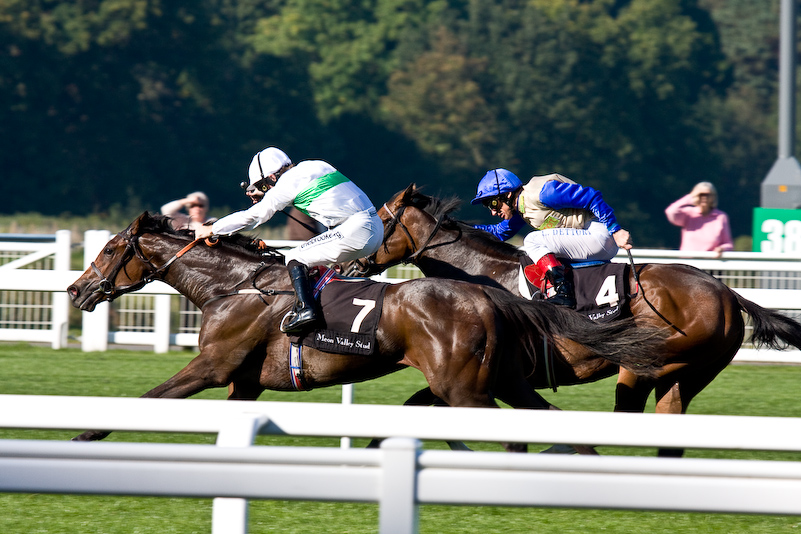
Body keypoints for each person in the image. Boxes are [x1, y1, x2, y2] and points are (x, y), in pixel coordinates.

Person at [195, 147, 382, 333]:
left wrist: (212, 228)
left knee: (294, 257)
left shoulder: (286, 184)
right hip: (375, 227)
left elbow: (253, 217)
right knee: (313, 259)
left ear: (272, 178)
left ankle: (306, 311)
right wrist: (265, 192)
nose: (264, 191)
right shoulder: (316, 164)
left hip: (356, 230)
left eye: (263, 186)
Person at [471, 168, 632, 308]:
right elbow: (498, 233)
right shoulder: (522, 209)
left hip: (599, 235)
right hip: (589, 243)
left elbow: (592, 197)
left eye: (492, 203)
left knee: (532, 240)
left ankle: (564, 291)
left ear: (508, 194)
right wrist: (459, 228)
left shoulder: (542, 193)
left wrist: (615, 229)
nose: (493, 212)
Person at [665, 182, 733, 257]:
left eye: (707, 195)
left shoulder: (721, 216)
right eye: (701, 195)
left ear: (713, 197)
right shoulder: (688, 213)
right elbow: (671, 212)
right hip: (688, 263)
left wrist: (722, 249)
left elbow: (728, 244)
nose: (704, 197)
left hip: (710, 264)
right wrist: (690, 196)